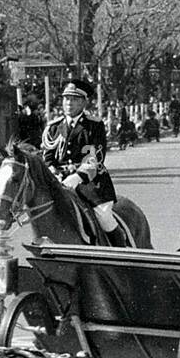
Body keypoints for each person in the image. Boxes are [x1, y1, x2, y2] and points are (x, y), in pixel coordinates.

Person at [41, 79, 127, 246]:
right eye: (66, 98)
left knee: (104, 217)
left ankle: (122, 251)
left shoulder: (94, 126)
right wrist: (53, 172)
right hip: (58, 180)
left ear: (84, 102)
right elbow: (48, 156)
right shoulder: (53, 127)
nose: (69, 103)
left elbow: (94, 158)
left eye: (74, 99)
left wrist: (76, 177)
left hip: (90, 183)